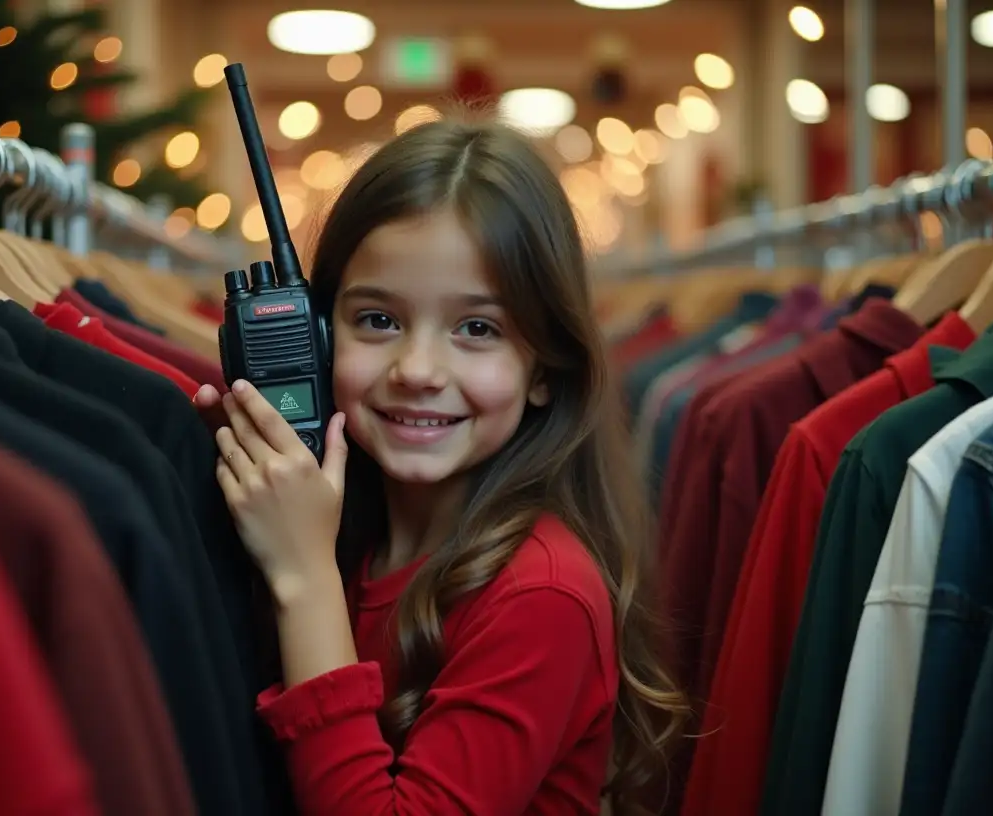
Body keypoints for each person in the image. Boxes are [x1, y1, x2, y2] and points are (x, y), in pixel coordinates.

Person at [193, 116, 688, 815]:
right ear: (320, 338)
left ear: (544, 367)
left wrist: (302, 577)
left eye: (477, 329)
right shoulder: (340, 534)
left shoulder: (540, 594)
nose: (418, 370)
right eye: (379, 320)